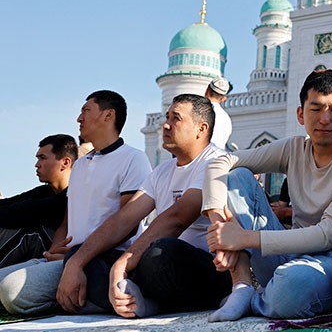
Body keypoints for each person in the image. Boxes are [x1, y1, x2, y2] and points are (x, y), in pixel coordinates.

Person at [202, 69, 332, 322]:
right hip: (289, 252)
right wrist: (220, 228)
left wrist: (242, 238)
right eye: (316, 109)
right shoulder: (293, 148)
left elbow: (328, 234)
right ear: (301, 114)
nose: (325, 119)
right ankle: (241, 286)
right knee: (236, 177)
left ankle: (258, 299)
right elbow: (220, 162)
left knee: (291, 287)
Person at [57, 94, 230, 317]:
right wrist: (76, 262)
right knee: (82, 255)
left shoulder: (215, 162)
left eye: (175, 118)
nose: (165, 125)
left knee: (160, 253)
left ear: (201, 128)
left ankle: (134, 301)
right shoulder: (162, 172)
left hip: (205, 267)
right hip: (158, 269)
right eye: (166, 117)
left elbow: (176, 219)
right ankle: (132, 301)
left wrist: (122, 264)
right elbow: (124, 218)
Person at [0, 90, 150, 315]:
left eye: (86, 111)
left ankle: (81, 297)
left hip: (101, 260)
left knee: (10, 291)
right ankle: (75, 296)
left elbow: (126, 226)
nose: (79, 119)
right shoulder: (79, 166)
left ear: (108, 116)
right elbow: (67, 222)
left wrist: (77, 259)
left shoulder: (133, 158)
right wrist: (54, 252)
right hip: (69, 258)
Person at [0, 135, 77, 268]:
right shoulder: (44, 191)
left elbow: (19, 212)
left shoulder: (74, 194)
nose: (37, 164)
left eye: (43, 158)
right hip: (45, 252)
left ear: (65, 163)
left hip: (64, 256)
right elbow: (10, 204)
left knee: (31, 232)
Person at [205, 77, 233, 150]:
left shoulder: (198, 110)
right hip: (218, 159)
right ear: (223, 99)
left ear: (207, 91)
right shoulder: (227, 119)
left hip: (198, 159)